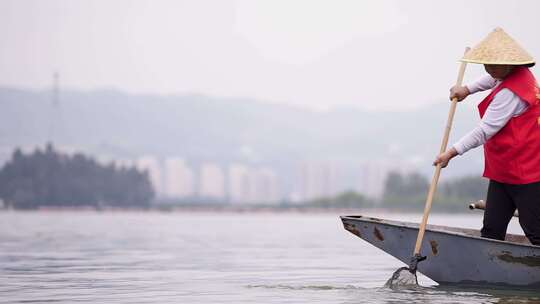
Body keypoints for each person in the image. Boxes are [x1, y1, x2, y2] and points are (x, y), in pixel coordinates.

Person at [433, 28, 540, 245]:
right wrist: (466, 89)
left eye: (493, 64)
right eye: (486, 63)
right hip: (504, 170)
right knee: (492, 230)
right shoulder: (512, 74)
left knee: (536, 233)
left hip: (527, 171)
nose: (489, 69)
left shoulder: (511, 94)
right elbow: (490, 79)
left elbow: (484, 131)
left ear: (509, 63)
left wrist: (451, 153)